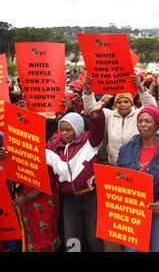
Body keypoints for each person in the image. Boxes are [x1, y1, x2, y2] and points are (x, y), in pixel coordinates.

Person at [116, 105, 159, 252]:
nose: (143, 125)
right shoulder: (125, 148)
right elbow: (118, 176)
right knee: (132, 249)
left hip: (158, 208)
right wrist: (99, 179)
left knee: (158, 248)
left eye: (148, 121)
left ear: (157, 124)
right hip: (132, 207)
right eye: (140, 121)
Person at [45, 101, 106, 252]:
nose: (63, 133)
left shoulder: (90, 142)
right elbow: (32, 155)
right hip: (70, 201)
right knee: (72, 241)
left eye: (68, 130)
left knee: (93, 239)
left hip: (91, 198)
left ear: (77, 129)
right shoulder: (53, 147)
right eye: (61, 130)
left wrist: (96, 114)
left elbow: (98, 128)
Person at [82, 75, 157, 164]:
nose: (122, 104)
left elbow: (152, 107)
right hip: (114, 163)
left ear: (131, 104)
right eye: (119, 102)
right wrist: (88, 91)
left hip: (134, 163)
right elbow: (90, 109)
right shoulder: (110, 115)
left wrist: (141, 88)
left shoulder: (138, 115)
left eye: (126, 102)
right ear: (115, 105)